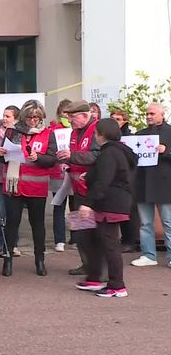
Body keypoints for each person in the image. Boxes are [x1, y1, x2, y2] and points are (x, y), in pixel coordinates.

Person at [75, 118, 137, 297]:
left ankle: (117, 285)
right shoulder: (116, 151)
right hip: (111, 201)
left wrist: (87, 203)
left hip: (110, 203)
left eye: (96, 133)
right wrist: (90, 175)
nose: (95, 136)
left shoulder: (109, 153)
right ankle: (94, 277)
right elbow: (107, 174)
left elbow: (105, 181)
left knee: (110, 244)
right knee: (90, 238)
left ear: (101, 135)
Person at [0, 100, 56, 276]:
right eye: (30, 117)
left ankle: (40, 260)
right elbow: (5, 157)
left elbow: (52, 159)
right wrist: (1, 155)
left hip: (36, 186)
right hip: (15, 186)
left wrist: (38, 157)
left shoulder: (48, 134)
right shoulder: (13, 132)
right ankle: (8, 260)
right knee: (12, 224)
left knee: (37, 224)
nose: (33, 121)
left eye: (36, 118)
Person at [56, 100, 100, 276]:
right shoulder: (75, 132)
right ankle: (86, 264)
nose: (70, 121)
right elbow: (76, 156)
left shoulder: (97, 130)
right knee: (80, 231)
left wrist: (72, 156)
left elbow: (97, 156)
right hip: (77, 189)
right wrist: (68, 163)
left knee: (93, 232)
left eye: (73, 117)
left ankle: (97, 269)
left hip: (92, 190)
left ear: (84, 115)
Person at [131, 103, 171, 267]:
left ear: (162, 114)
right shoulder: (140, 134)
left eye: (152, 113)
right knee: (145, 223)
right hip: (143, 183)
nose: (148, 116)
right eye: (147, 113)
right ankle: (148, 255)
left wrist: (166, 151)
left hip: (165, 184)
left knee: (168, 222)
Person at [0, 105, 20, 255]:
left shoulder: (19, 134)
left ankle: (13, 243)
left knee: (13, 213)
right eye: (4, 115)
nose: (4, 119)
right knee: (0, 213)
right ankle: (1, 243)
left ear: (16, 119)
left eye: (8, 116)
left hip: (13, 178)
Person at [110, 108, 140, 253]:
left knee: (130, 210)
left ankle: (130, 240)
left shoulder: (130, 137)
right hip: (113, 177)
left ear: (124, 122)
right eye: (113, 119)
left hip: (128, 177)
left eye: (118, 119)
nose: (115, 122)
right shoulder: (110, 136)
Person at [49, 99, 72, 252]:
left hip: (75, 172)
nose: (67, 116)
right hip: (58, 173)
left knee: (76, 206)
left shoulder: (79, 130)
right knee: (59, 206)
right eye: (64, 112)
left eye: (70, 113)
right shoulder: (53, 131)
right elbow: (49, 151)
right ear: (59, 114)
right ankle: (59, 239)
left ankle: (77, 237)